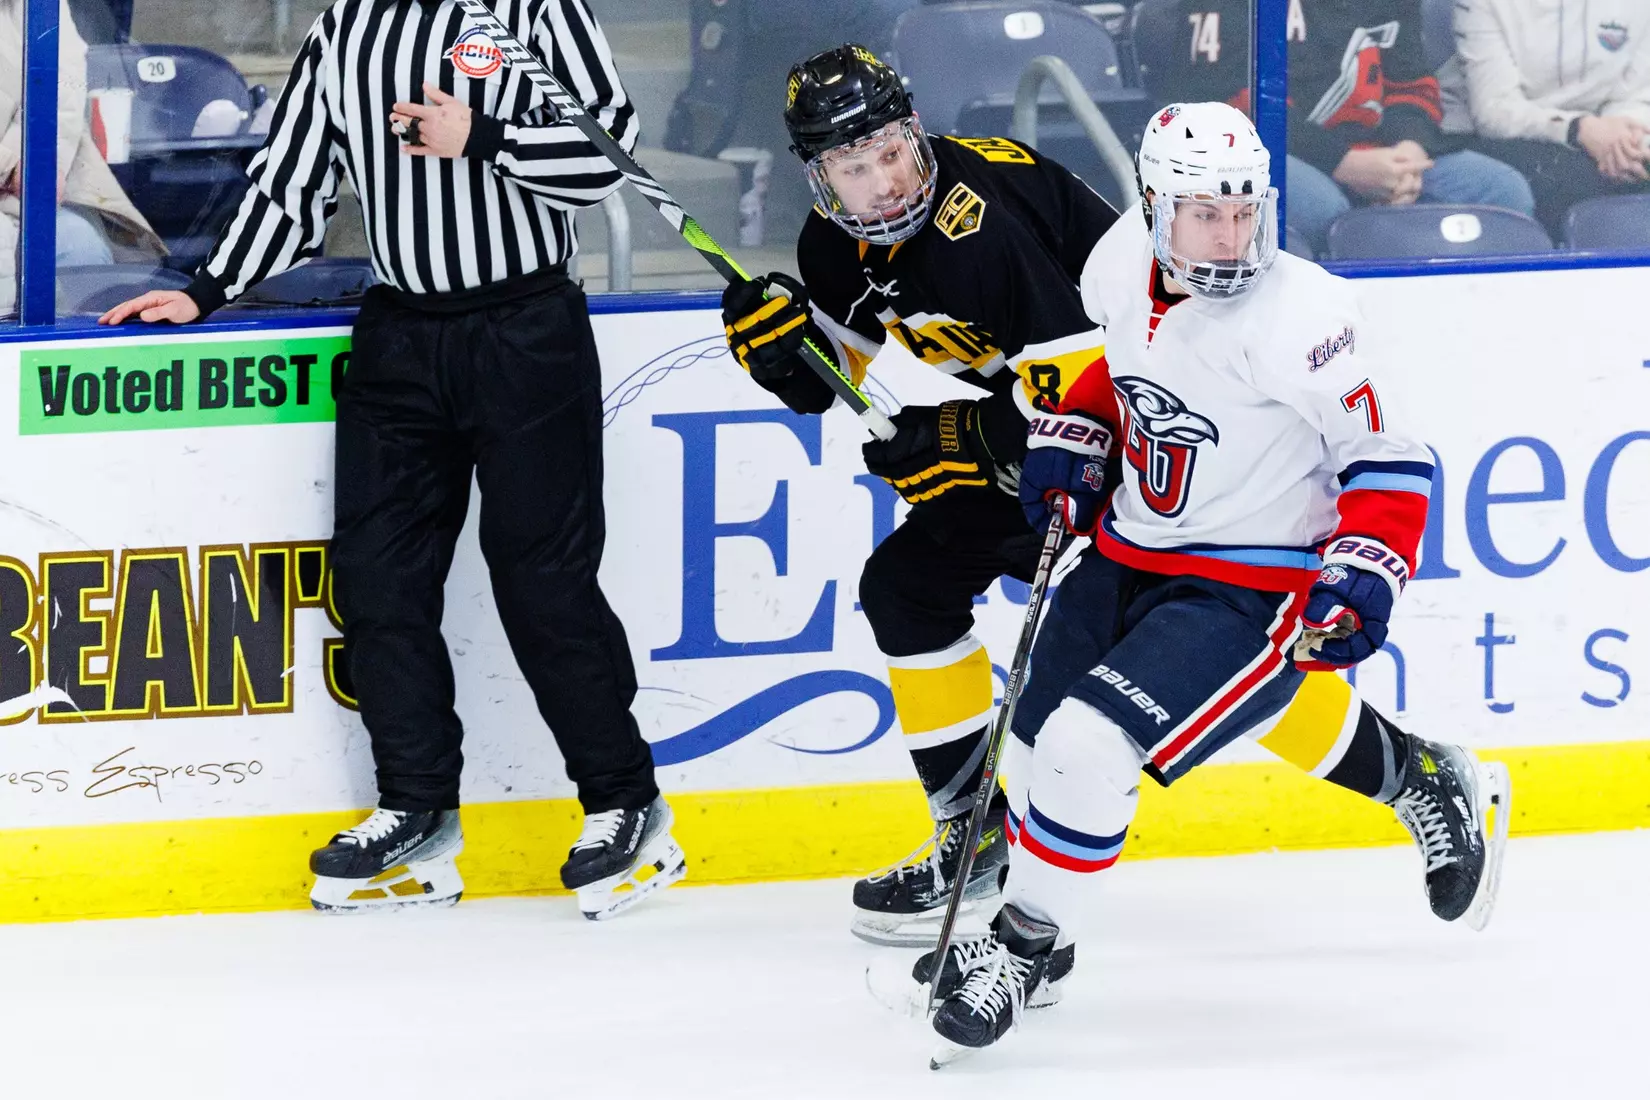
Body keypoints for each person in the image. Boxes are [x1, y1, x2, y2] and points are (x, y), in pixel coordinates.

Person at [724, 47, 1501, 951]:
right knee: (907, 588)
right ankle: (976, 834)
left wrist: (962, 440)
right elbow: (849, 375)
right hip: (1062, 441)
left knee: (1205, 670)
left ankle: (1410, 774)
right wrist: (785, 355)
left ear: (915, 131)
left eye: (894, 151)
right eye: (856, 168)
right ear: (818, 176)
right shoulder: (832, 245)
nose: (887, 181)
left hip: (1146, 449)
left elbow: (1096, 380)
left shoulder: (979, 226)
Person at [909, 102, 1511, 1064]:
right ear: (1154, 209)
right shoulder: (1117, 262)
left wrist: (1368, 567)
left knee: (1086, 745)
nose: (1231, 238)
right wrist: (1077, 432)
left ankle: (1023, 949)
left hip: (1251, 582)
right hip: (1129, 552)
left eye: (1243, 212)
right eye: (1204, 216)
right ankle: (1418, 774)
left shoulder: (1301, 317)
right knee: (1027, 744)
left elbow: (1387, 456)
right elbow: (1125, 372)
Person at [98, 0, 683, 921]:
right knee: (378, 580)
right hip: (400, 335)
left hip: (526, 330)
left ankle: (625, 800)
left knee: (543, 582)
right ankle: (417, 809)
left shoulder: (534, 10)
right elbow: (292, 183)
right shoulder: (345, 27)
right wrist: (206, 290)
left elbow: (606, 156)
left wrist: (483, 137)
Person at [1130, 0, 1535, 256]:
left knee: (1499, 190)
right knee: (1321, 207)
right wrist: (1343, 163)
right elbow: (1236, 103)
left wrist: (1408, 151)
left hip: (1376, 152)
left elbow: (1413, 84)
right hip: (1267, 149)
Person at [0, 0, 165, 315]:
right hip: (13, 178)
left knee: (80, 244)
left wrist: (35, 161)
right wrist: (9, 166)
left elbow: (63, 84)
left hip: (26, 191)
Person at [1447, 0, 1650, 238]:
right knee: (1572, 183)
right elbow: (1494, 111)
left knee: (1636, 169)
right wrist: (1579, 129)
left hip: (1601, 133)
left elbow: (1635, 94)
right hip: (1504, 136)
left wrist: (1623, 144)